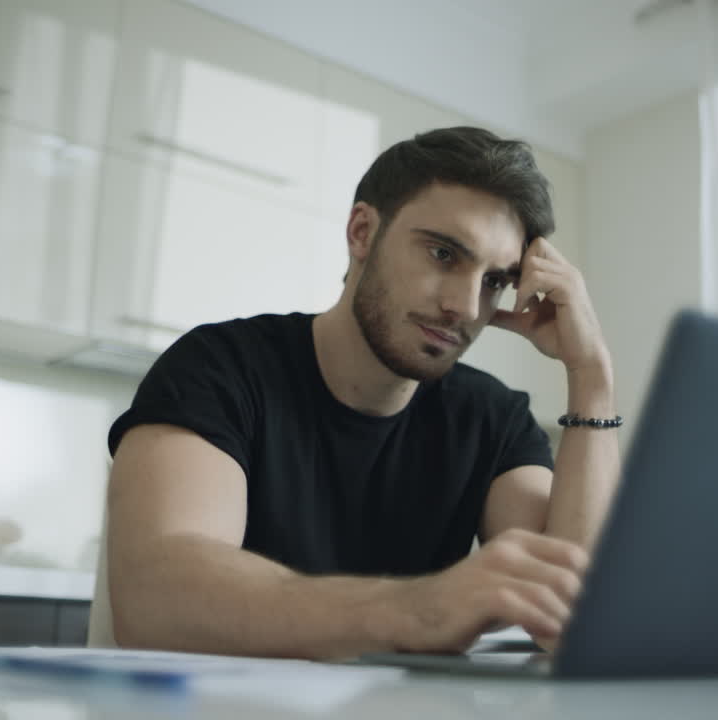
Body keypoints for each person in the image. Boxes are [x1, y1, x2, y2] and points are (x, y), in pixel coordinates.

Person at [105, 127, 621, 659]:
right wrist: (422, 610)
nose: (467, 307)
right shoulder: (219, 369)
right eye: (443, 254)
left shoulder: (493, 417)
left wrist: (590, 376)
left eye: (494, 281)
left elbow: (574, 619)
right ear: (362, 232)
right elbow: (154, 601)